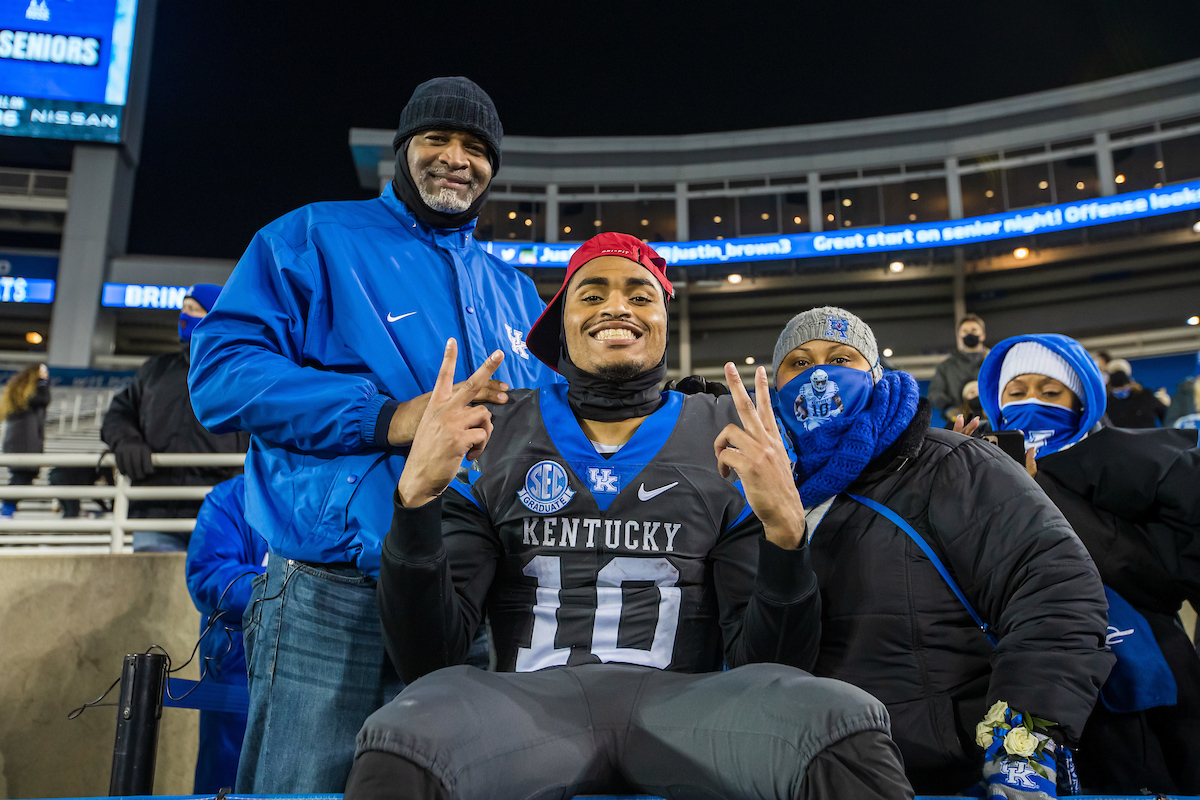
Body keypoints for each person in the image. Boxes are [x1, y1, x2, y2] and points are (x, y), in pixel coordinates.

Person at [347, 232, 911, 800]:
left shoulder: (725, 429)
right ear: (558, 324)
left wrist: (786, 538)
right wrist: (415, 504)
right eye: (591, 295)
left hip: (688, 710)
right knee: (404, 737)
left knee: (842, 723)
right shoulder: (496, 428)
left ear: (665, 320)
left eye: (640, 296)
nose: (617, 307)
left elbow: (768, 667)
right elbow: (430, 658)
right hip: (525, 710)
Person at [187, 77, 558, 793]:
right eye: (437, 140)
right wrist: (388, 416)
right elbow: (223, 373)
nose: (456, 158)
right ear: (402, 151)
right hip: (332, 595)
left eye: (475, 147)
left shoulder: (515, 293)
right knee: (307, 788)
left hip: (468, 600)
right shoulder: (311, 237)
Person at [769, 306, 1113, 798]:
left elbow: (1053, 588)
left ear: (874, 373)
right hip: (809, 772)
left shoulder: (954, 464)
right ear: (774, 380)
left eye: (842, 358)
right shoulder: (753, 489)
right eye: (799, 363)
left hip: (946, 777)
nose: (821, 374)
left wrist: (1023, 741)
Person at [977, 334, 1200, 795]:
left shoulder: (1129, 464)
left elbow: (1149, 570)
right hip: (1029, 669)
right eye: (1016, 392)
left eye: (1051, 391)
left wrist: (1039, 494)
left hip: (1148, 664)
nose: (1032, 402)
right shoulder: (974, 473)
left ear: (1082, 404)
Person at [101, 284, 248, 551]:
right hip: (155, 510)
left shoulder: (239, 373)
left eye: (193, 309)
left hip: (219, 513)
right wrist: (127, 441)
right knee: (154, 592)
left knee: (216, 591)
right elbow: (118, 414)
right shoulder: (155, 369)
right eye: (183, 307)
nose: (184, 314)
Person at [184, 474, 268, 793]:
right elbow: (206, 576)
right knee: (225, 780)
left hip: (328, 671)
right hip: (237, 673)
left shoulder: (345, 484)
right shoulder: (232, 497)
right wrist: (286, 582)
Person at [1, 363, 50, 517]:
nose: (47, 374)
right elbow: (44, 399)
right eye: (43, 371)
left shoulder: (21, 392)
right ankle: (5, 512)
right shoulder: (32, 393)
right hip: (24, 443)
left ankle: (7, 511)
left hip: (20, 442)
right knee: (21, 478)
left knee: (22, 478)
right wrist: (43, 382)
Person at [927, 313, 989, 420]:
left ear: (983, 335)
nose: (969, 333)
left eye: (974, 330)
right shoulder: (946, 367)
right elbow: (935, 393)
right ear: (959, 336)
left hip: (992, 421)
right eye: (965, 331)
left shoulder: (995, 362)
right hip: (958, 423)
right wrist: (948, 407)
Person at [1104, 358, 1167, 428]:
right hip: (1122, 438)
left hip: (1147, 437)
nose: (1121, 389)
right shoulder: (1107, 403)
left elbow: (1166, 415)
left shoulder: (1145, 396)